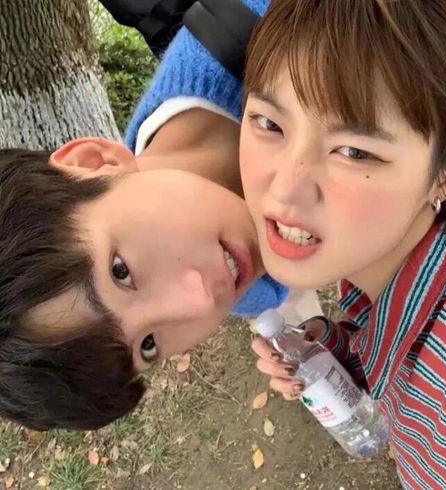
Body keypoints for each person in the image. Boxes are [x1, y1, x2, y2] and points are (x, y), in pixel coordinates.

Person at [0, 0, 290, 431]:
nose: (201, 301)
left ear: (93, 162)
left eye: (121, 272)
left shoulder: (276, 17)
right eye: (149, 346)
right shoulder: (249, 287)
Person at [242, 1, 446, 488]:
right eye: (269, 124)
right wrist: (332, 353)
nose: (284, 190)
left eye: (355, 151)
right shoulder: (381, 264)